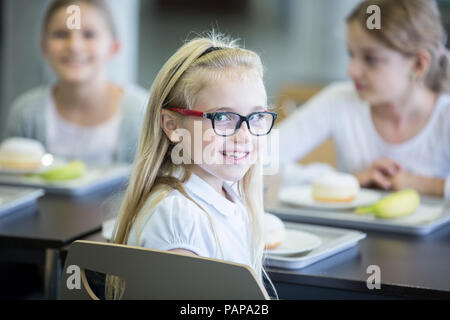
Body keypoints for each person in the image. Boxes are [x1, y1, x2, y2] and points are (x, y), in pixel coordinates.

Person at [105, 34, 278, 299]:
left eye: (255, 117)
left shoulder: (227, 194)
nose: (243, 135)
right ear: (172, 126)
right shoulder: (178, 218)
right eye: (223, 117)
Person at [278, 0, 450, 200]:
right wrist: (345, 180)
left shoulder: (445, 115)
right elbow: (261, 159)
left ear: (419, 64)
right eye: (351, 54)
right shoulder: (339, 100)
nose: (352, 70)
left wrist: (426, 184)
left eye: (371, 58)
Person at [4, 0, 148, 164]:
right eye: (61, 34)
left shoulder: (142, 113)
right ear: (44, 47)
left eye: (89, 35)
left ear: (113, 47)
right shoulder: (25, 114)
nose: (74, 46)